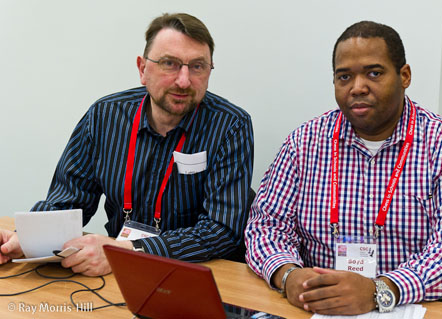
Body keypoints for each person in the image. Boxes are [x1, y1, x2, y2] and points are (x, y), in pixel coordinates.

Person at [245, 21, 442, 316]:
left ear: (404, 76)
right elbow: (265, 227)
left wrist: (381, 289)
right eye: (344, 76)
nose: (357, 87)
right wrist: (288, 275)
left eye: (374, 73)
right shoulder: (305, 142)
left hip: (417, 305)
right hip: (318, 306)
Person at [0, 13, 254, 276]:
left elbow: (222, 231)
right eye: (170, 64)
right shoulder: (105, 116)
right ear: (143, 69)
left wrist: (130, 252)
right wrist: (25, 242)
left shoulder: (230, 125)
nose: (184, 80)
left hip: (196, 273)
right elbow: (69, 201)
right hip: (116, 274)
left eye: (198, 66)